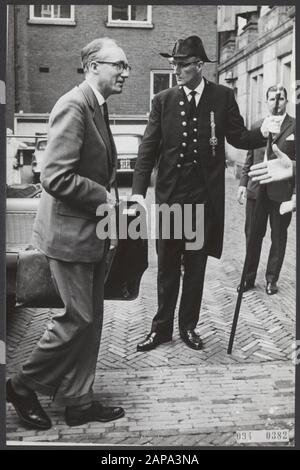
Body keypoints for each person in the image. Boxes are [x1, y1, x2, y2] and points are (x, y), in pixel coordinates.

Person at [6, 37, 130, 429]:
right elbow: (55, 176)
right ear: (93, 65)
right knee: (76, 318)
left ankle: (78, 400)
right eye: (119, 65)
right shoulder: (73, 105)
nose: (125, 72)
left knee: (90, 319)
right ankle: (22, 385)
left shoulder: (97, 105)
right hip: (68, 237)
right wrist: (105, 198)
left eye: (126, 66)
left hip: (86, 233)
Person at [131, 35, 267, 352]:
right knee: (166, 268)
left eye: (182, 64)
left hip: (202, 203)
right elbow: (147, 151)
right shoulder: (162, 101)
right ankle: (161, 329)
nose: (176, 69)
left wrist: (264, 131)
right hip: (170, 201)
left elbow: (240, 137)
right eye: (174, 63)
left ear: (199, 65)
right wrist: (139, 193)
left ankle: (188, 327)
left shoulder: (222, 97)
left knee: (195, 268)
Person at [237, 86, 295, 295]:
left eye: (279, 99)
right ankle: (248, 279)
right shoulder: (257, 125)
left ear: (286, 101)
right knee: (252, 235)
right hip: (256, 190)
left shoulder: (295, 126)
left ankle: (272, 279)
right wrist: (243, 184)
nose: (276, 103)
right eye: (271, 99)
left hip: (281, 193)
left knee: (278, 237)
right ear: (266, 101)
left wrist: (295, 194)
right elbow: (249, 158)